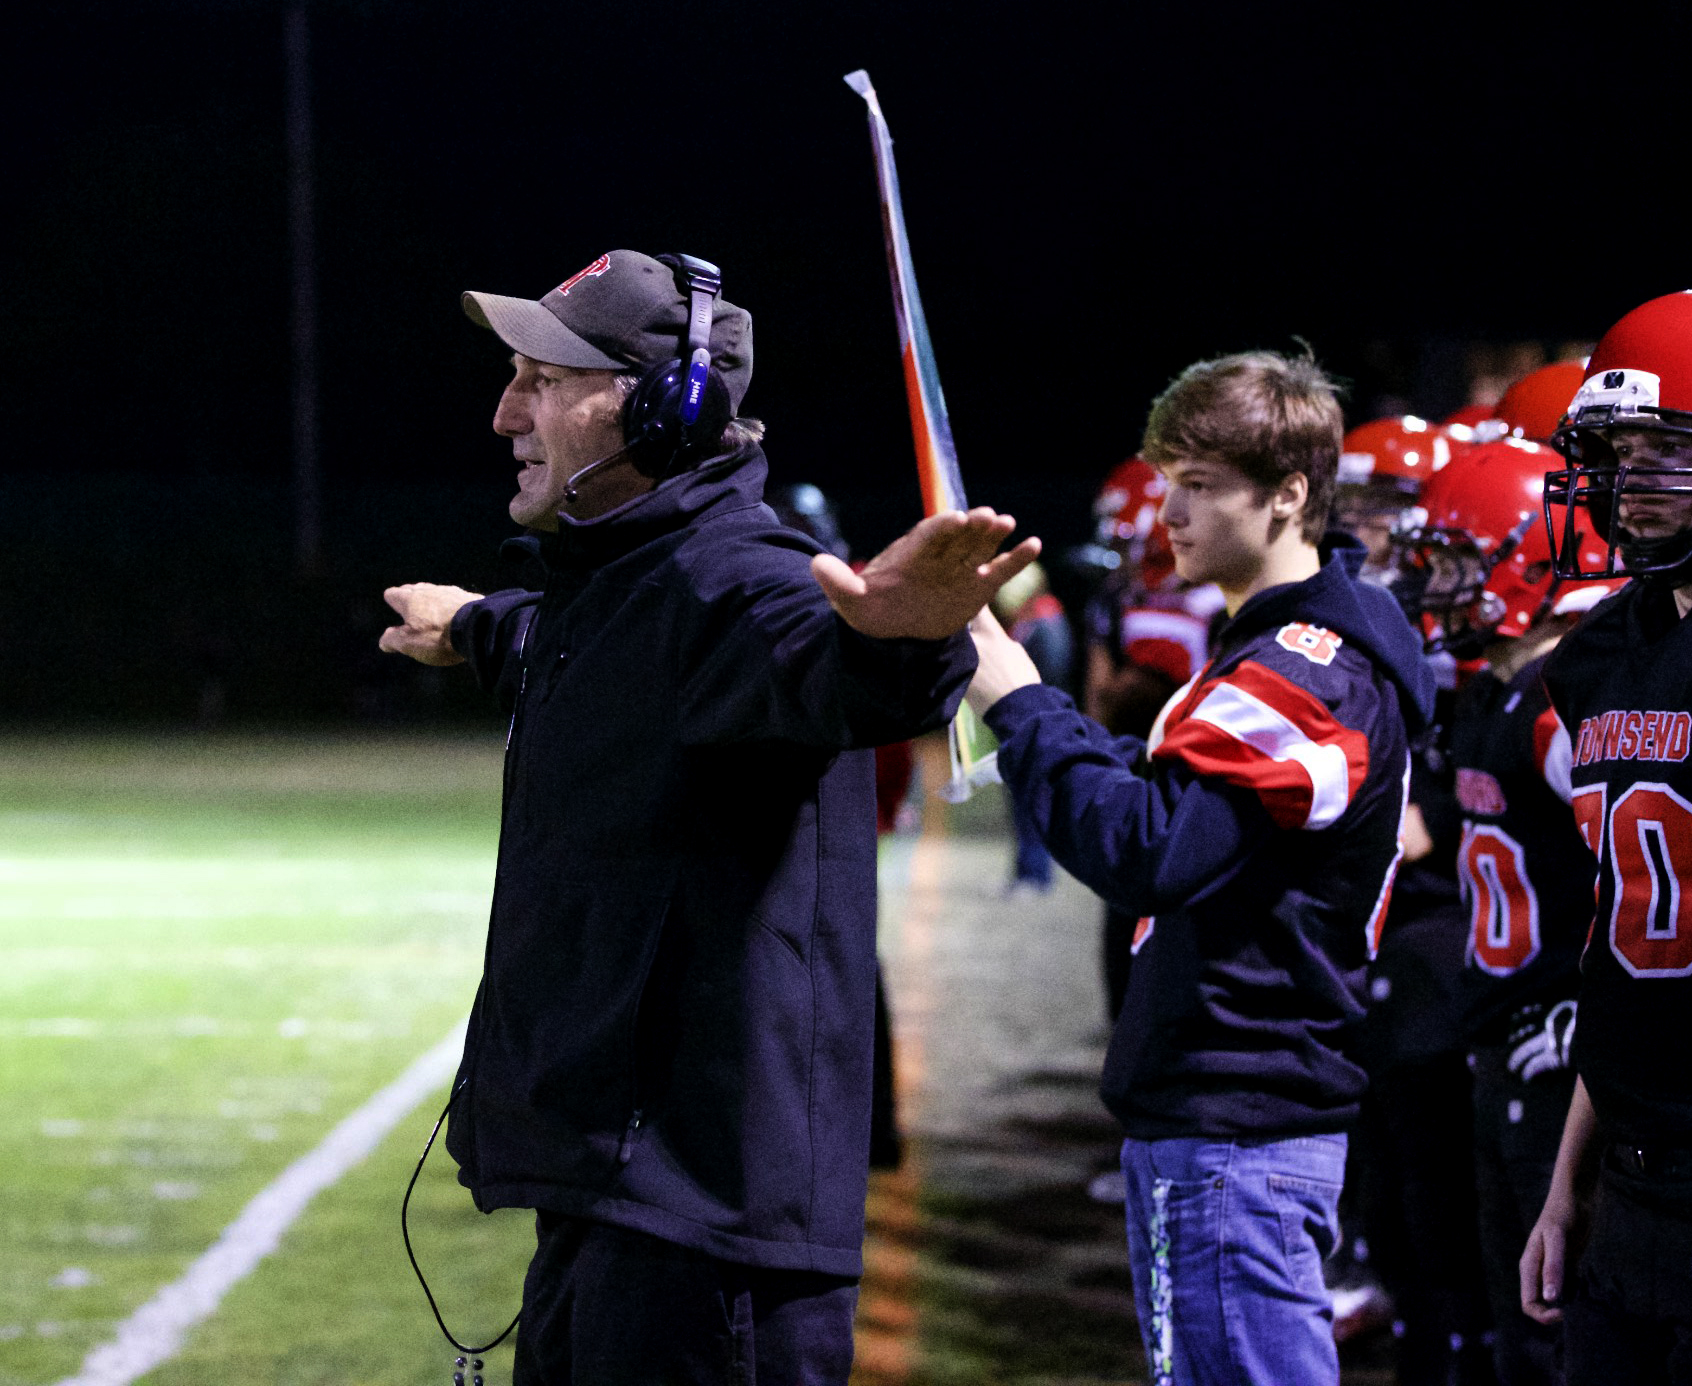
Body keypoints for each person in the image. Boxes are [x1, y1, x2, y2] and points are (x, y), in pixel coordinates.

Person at [378, 248, 1035, 1385]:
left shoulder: (739, 580)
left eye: (540, 380)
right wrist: (475, 623)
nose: (504, 414)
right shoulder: (628, 585)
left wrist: (906, 633)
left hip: (701, 1235)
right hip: (618, 1199)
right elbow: (586, 655)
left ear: (662, 404)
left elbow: (828, 664)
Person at [846, 349, 1436, 1385]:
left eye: (1200, 485)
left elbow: (1144, 848)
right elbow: (1170, 803)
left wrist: (1015, 696)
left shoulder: (1305, 666)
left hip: (1237, 1124)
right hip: (1237, 1121)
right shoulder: (1299, 646)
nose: (1169, 510)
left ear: (1289, 494)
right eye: (1170, 479)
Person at [1393, 436, 1620, 1386]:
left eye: (1460, 559)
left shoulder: (1556, 698)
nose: (1443, 584)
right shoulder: (1499, 684)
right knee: (1507, 1303)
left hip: (1553, 1039)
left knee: (1553, 1321)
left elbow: (1641, 873)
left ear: (1528, 552)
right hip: (1501, 1029)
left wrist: (1581, 1012)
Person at [1521, 290, 1692, 1385]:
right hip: (1626, 1185)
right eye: (1613, 451)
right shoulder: (1599, 654)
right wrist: (1565, 1184)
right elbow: (1623, 938)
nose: (1628, 482)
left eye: (1662, 449)